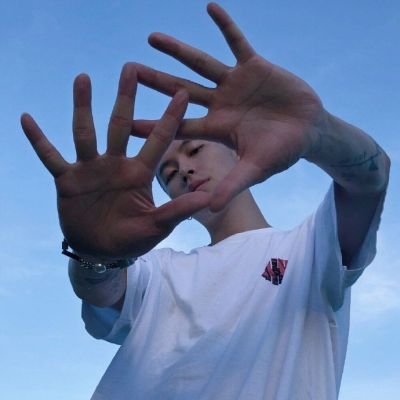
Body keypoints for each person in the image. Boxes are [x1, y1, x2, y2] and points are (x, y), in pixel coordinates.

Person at [21, 3, 389, 400]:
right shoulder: (158, 272)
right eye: (167, 173)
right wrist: (92, 255)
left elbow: (368, 181)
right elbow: (103, 290)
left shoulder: (309, 251)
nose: (183, 169)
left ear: (235, 147)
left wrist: (320, 131)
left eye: (195, 150)